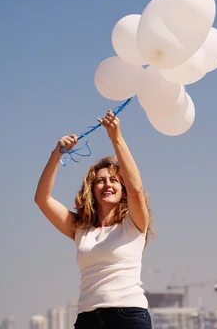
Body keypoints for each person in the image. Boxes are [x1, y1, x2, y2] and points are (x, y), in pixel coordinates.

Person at [34, 108, 154, 329]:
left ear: (122, 189)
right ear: (91, 189)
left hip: (128, 316)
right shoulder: (80, 228)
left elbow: (137, 188)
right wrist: (56, 154)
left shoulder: (134, 223)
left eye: (114, 180)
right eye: (100, 181)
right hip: (88, 319)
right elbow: (42, 199)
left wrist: (116, 137)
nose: (107, 184)